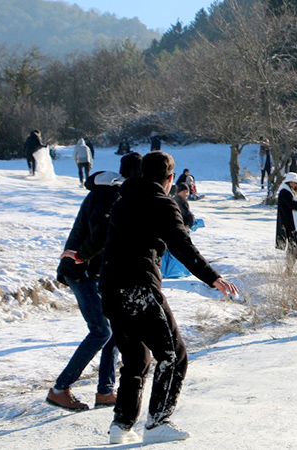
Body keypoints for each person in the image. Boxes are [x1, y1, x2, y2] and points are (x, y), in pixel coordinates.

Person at [99, 151, 238, 444]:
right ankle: (157, 423)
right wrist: (212, 277)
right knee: (174, 355)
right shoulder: (163, 203)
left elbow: (99, 235)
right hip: (139, 287)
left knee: (136, 359)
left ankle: (121, 426)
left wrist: (77, 253)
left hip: (110, 288)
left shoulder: (123, 201)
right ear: (170, 179)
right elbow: (182, 245)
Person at [48, 152, 143, 412]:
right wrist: (82, 256)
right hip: (81, 271)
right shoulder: (110, 194)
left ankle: (105, 391)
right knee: (101, 331)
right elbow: (100, 232)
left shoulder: (116, 192)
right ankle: (59, 389)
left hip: (94, 271)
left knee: (113, 328)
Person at [276, 172, 297, 271]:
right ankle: (289, 268)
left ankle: (290, 267)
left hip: (295, 223)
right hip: (291, 224)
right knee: (294, 246)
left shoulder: (290, 191)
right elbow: (291, 205)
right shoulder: (284, 192)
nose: (295, 184)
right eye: (293, 182)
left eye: (295, 182)